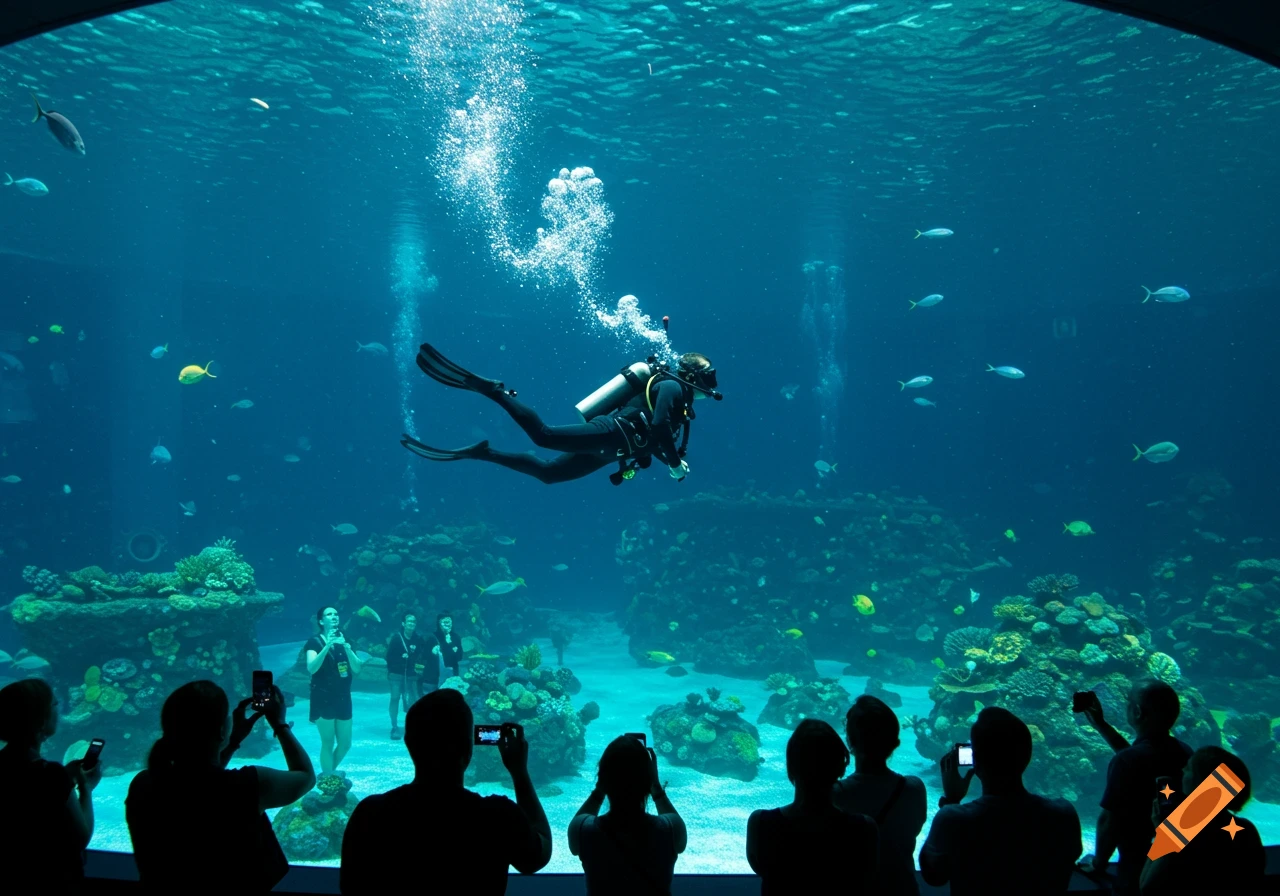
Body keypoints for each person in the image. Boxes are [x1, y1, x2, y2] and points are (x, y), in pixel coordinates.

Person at [400, 342, 722, 485]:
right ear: (693, 376)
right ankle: (495, 391)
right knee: (544, 436)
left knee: (548, 474)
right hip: (611, 434)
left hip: (611, 452)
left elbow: (655, 438)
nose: (712, 384)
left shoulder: (682, 404)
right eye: (708, 376)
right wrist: (676, 464)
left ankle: (483, 453)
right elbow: (659, 427)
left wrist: (669, 461)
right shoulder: (671, 388)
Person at [339, 688, 552, 894]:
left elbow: (349, 886)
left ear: (408, 744)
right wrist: (519, 772)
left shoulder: (371, 813)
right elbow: (536, 857)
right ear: (468, 748)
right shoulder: (498, 815)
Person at [125, 680, 314, 894]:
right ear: (221, 730)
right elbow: (305, 777)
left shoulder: (144, 784)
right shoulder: (248, 784)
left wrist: (232, 742)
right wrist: (279, 725)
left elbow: (200, 783)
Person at [919, 706, 1082, 896]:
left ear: (975, 761)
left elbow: (934, 876)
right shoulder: (1063, 814)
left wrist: (952, 801)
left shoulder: (953, 819)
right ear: (1027, 756)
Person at [1076, 681, 1193, 895]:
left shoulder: (1127, 761)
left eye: (1129, 702)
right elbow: (1142, 760)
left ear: (1137, 711)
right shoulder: (1184, 752)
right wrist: (1101, 725)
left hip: (1136, 873)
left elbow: (1108, 820)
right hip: (1178, 866)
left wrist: (1099, 863)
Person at [746, 719, 879, 893]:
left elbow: (761, 869)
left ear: (791, 766)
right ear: (841, 768)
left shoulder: (760, 822)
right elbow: (865, 878)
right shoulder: (864, 828)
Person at [0, 679, 99, 893]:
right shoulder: (50, 774)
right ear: (40, 719)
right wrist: (86, 788)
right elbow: (80, 838)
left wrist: (64, 779)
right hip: (52, 880)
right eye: (54, 704)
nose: (58, 708)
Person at [568, 734, 688, 894]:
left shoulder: (583, 829)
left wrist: (599, 789)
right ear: (648, 779)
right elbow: (680, 843)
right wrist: (656, 787)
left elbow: (575, 841)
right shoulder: (671, 829)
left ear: (603, 778)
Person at [832, 695, 928, 896]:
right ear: (895, 743)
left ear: (849, 742)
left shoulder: (835, 795)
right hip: (903, 889)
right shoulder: (913, 789)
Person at [1138, 746, 1266, 895]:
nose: (1182, 772)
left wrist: (1163, 833)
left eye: (1189, 769)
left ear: (1202, 782)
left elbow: (1147, 886)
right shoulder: (1246, 828)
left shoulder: (1181, 832)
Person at [306, 605, 363, 771]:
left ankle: (327, 775)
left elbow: (357, 668)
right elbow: (311, 668)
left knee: (345, 744)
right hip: (323, 697)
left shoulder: (345, 640)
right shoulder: (314, 642)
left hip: (343, 697)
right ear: (321, 621)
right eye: (329, 614)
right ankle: (329, 778)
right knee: (328, 742)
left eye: (336, 614)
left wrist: (346, 647)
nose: (334, 616)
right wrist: (327, 646)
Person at [386, 613, 430, 740]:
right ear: (403, 623)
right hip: (395, 675)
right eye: (409, 621)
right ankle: (394, 726)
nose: (411, 624)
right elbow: (388, 657)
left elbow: (421, 656)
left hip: (411, 676)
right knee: (395, 698)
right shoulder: (396, 638)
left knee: (413, 701)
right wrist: (400, 661)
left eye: (414, 622)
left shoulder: (418, 639)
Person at [432, 612, 463, 683]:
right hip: (436, 675)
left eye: (449, 622)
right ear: (439, 623)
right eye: (444, 622)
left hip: (453, 673)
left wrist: (450, 643)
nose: (447, 624)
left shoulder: (456, 637)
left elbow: (460, 657)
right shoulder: (433, 637)